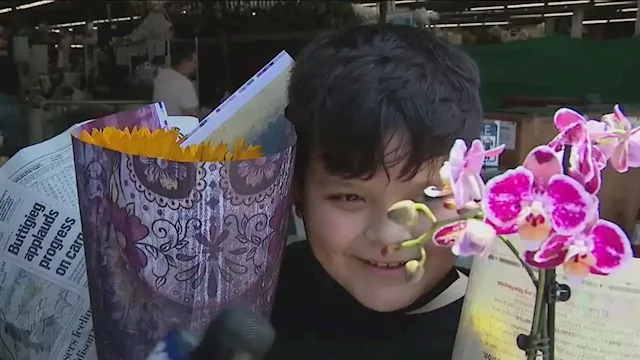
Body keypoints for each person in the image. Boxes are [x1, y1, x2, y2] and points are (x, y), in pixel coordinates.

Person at [266, 24, 483, 359]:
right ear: (296, 192)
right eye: (349, 197)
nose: (389, 235)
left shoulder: (505, 333)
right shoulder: (261, 293)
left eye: (429, 195)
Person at [152, 43, 199, 117]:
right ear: (184, 61)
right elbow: (193, 116)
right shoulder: (184, 83)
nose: (195, 66)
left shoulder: (161, 76)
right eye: (194, 62)